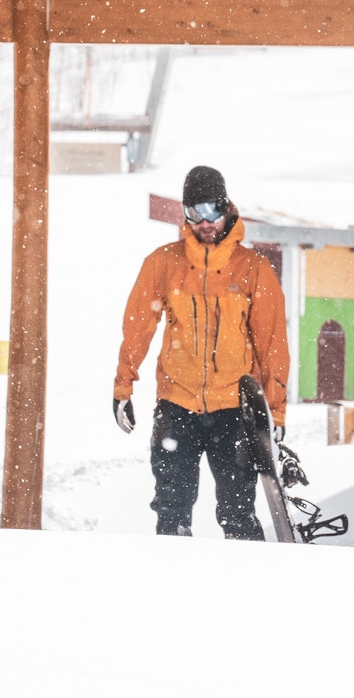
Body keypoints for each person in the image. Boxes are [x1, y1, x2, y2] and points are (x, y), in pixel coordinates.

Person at [114, 165, 289, 538]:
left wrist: (274, 413)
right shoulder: (163, 263)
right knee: (171, 510)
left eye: (211, 210)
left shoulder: (253, 269)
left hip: (232, 412)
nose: (204, 222)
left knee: (238, 513)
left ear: (225, 208)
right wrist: (122, 389)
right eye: (194, 212)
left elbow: (272, 345)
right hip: (177, 407)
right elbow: (137, 330)